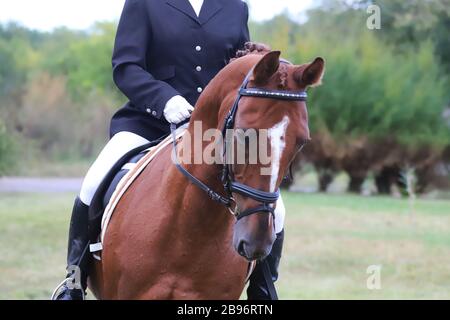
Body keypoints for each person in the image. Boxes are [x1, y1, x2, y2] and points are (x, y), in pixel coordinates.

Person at [54, 0, 285, 300]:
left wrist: (257, 62)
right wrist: (163, 100)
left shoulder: (235, 6)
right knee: (94, 181)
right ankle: (73, 282)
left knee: (275, 205)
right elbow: (126, 67)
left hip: (211, 134)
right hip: (148, 123)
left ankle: (262, 288)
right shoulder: (143, 3)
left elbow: (238, 71)